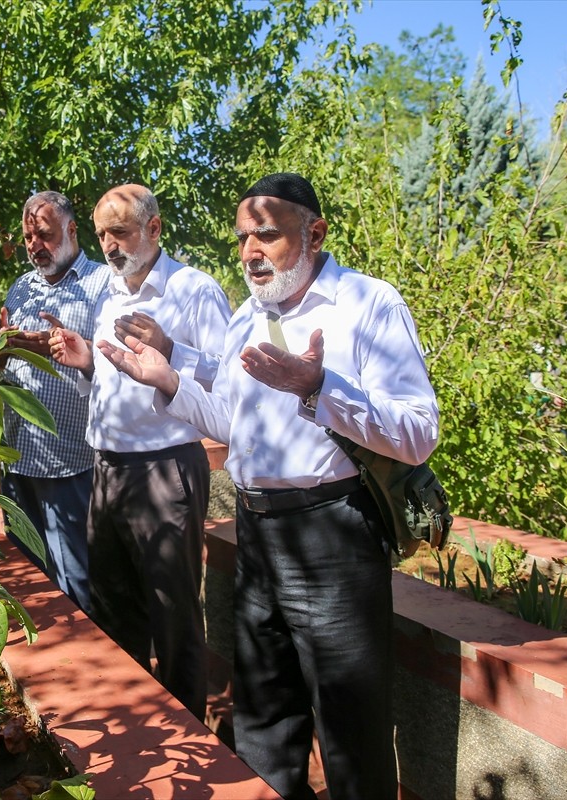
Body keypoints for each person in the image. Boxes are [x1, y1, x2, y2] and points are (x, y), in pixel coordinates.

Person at [96, 173, 439, 799]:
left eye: (268, 236)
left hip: (332, 535)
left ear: (315, 233)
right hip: (257, 539)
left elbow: (418, 432)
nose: (251, 252)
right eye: (243, 238)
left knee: (351, 735)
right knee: (261, 727)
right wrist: (168, 381)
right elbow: (232, 422)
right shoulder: (247, 318)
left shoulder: (367, 304)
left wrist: (319, 388)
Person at [48, 184, 230, 722]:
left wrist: (174, 349)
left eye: (120, 232)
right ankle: (134, 731)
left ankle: (189, 736)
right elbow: (111, 388)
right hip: (106, 469)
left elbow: (231, 386)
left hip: (164, 470)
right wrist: (85, 365)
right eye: (102, 234)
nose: (109, 245)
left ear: (154, 228)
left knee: (173, 618)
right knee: (112, 612)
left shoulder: (194, 291)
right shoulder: (107, 292)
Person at [0, 191, 110, 612]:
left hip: (72, 462)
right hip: (16, 458)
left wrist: (64, 350)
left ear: (71, 230)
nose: (34, 246)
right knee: (29, 585)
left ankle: (93, 674)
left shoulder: (102, 285)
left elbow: (118, 369)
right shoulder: (20, 288)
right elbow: (3, 360)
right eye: (28, 237)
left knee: (76, 584)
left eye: (43, 235)